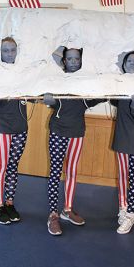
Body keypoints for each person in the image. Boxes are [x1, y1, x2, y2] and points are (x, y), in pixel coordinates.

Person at [44, 47, 104, 236]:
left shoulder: (86, 83)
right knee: (55, 171)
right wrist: (47, 99)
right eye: (69, 58)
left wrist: (109, 88)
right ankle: (53, 214)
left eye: (76, 58)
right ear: (64, 60)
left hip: (77, 133)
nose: (73, 61)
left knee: (71, 172)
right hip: (58, 131)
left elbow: (98, 96)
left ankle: (67, 210)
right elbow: (48, 99)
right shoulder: (56, 80)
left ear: (81, 60)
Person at [0, 37, 28, 225]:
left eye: (13, 50)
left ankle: (9, 203)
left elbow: (33, 96)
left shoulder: (24, 73)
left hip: (21, 128)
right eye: (5, 50)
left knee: (12, 167)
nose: (10, 54)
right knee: (1, 167)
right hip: (1, 127)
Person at [111, 51, 134, 234]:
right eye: (129, 61)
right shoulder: (120, 84)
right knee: (122, 176)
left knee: (133, 177)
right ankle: (123, 208)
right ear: (124, 64)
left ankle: (131, 214)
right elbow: (112, 101)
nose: (132, 63)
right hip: (121, 136)